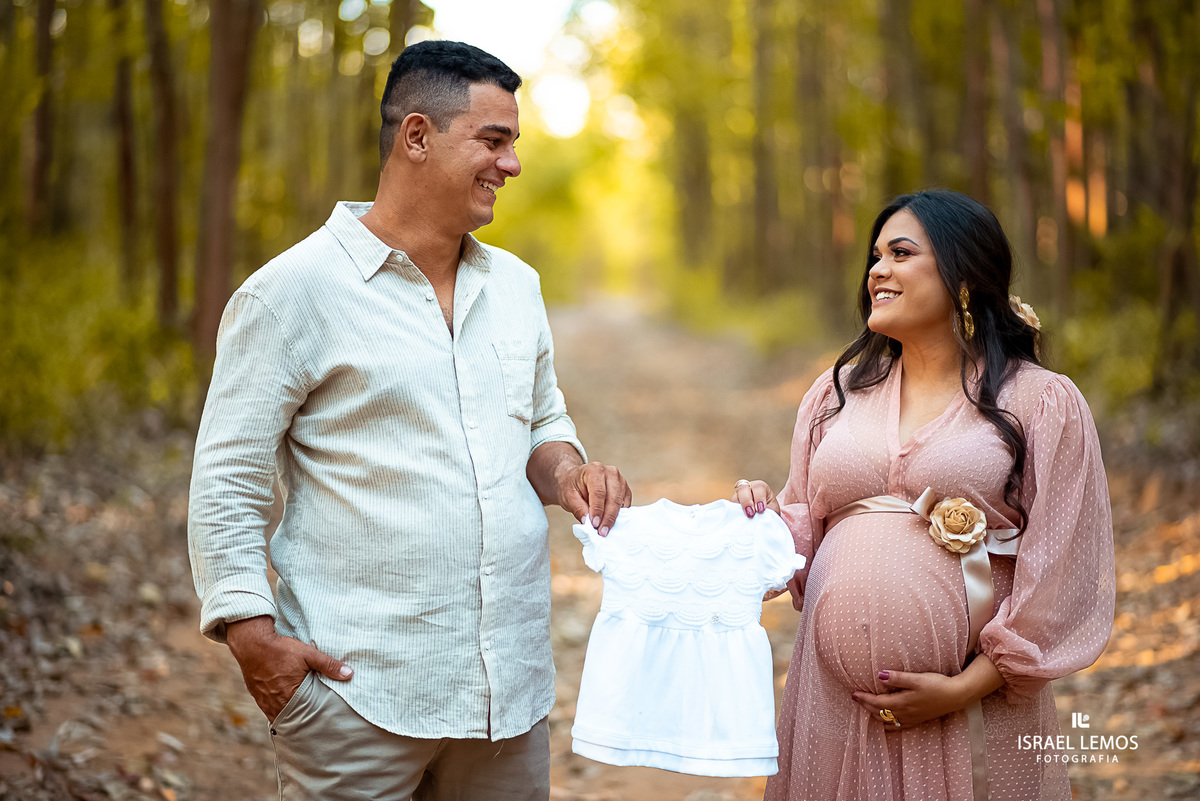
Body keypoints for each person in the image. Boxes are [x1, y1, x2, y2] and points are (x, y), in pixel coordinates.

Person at [187, 40, 631, 801]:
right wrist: (255, 642)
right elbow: (228, 478)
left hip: (508, 698)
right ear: (417, 137)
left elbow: (541, 420)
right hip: (358, 697)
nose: (511, 164)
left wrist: (569, 471)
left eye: (514, 143)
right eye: (493, 141)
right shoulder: (290, 294)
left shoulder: (517, 288)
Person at [734, 189, 1115, 801]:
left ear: (963, 272)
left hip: (974, 710)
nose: (877, 271)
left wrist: (965, 688)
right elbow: (803, 527)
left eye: (901, 253)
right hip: (836, 707)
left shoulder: (1040, 401)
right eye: (874, 256)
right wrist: (759, 522)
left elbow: (1063, 568)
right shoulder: (835, 395)